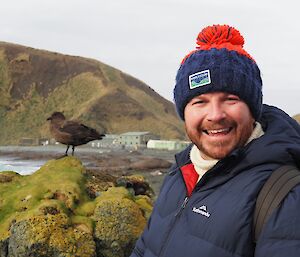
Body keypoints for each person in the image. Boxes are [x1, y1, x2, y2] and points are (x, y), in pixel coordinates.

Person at [130, 24, 300, 257]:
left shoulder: (284, 193)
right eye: (199, 102)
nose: (215, 115)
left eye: (230, 99)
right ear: (184, 112)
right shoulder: (180, 171)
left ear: (253, 110)